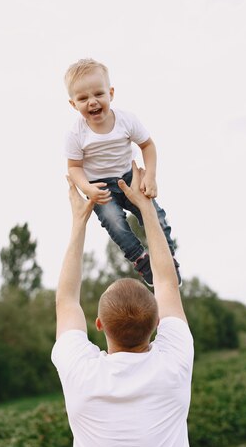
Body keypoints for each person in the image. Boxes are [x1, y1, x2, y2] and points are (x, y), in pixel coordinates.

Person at [51, 162, 216, 447]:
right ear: (157, 322)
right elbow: (166, 280)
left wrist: (79, 221)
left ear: (100, 325)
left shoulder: (80, 373)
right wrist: (146, 209)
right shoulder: (174, 361)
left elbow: (67, 300)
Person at [64, 57, 180, 287]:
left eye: (98, 94)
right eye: (83, 98)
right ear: (73, 104)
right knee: (114, 222)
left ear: (111, 93)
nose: (92, 102)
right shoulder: (76, 134)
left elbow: (147, 146)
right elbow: (74, 167)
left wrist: (150, 176)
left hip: (128, 177)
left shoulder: (126, 120)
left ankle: (167, 257)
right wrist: (87, 188)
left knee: (155, 215)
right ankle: (140, 258)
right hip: (100, 186)